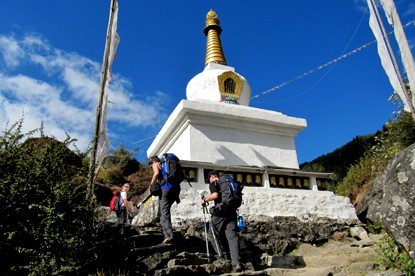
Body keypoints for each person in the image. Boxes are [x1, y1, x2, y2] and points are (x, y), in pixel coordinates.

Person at [200, 170, 242, 272]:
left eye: (209, 179)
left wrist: (205, 199)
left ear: (212, 177)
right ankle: (236, 264)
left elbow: (215, 195)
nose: (209, 181)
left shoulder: (214, 183)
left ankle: (222, 258)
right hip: (232, 211)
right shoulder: (230, 182)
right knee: (232, 236)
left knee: (211, 233)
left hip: (221, 211)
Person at [149, 155, 180, 245]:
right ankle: (167, 233)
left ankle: (168, 236)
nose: (151, 167)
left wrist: (151, 184)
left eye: (150, 166)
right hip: (175, 190)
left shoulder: (156, 163)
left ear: (152, 162)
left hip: (165, 188)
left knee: (164, 212)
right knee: (166, 211)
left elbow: (156, 173)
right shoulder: (169, 165)